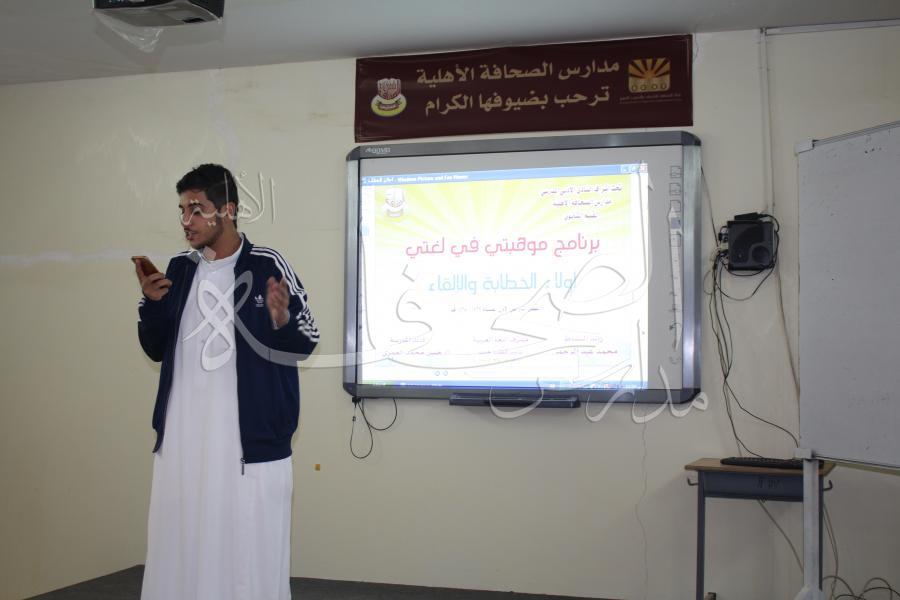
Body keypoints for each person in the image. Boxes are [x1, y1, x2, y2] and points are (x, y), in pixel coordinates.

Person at [134, 164, 319, 600]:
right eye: (182, 210)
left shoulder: (267, 265)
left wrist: (281, 319)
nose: (186, 220)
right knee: (182, 549)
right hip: (184, 445)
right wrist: (152, 303)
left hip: (246, 447)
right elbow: (155, 349)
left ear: (228, 210)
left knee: (246, 558)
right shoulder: (179, 270)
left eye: (196, 209)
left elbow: (307, 340)